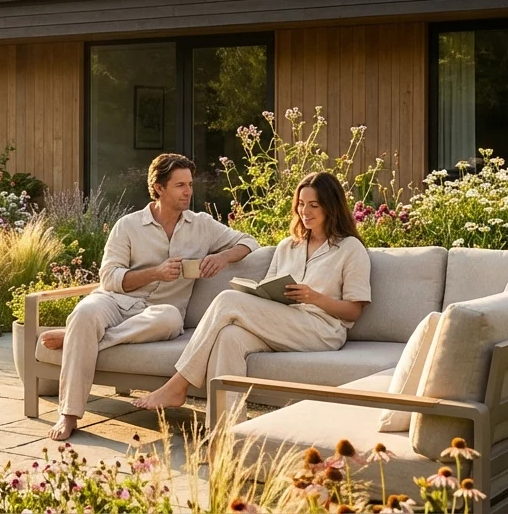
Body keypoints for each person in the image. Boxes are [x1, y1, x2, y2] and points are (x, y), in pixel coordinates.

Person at [40, 153, 259, 440]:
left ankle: (77, 338)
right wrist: (154, 273)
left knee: (168, 318)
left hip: (160, 312)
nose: (189, 192)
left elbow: (249, 242)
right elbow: (109, 278)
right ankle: (68, 414)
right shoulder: (128, 226)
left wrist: (222, 256)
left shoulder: (202, 224)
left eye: (190, 184)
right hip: (115, 301)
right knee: (84, 313)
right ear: (159, 187)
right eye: (180, 185)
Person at [131, 171, 371, 411]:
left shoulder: (350, 248)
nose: (304, 211)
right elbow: (268, 289)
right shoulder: (289, 246)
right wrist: (261, 293)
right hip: (283, 323)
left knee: (227, 299)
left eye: (314, 205)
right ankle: (225, 431)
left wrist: (314, 297)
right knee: (229, 337)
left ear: (331, 207)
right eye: (300, 204)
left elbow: (353, 311)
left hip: (322, 331)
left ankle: (177, 385)